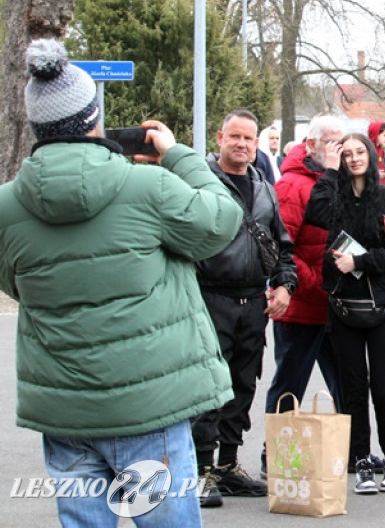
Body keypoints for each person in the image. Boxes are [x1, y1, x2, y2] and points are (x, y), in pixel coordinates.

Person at [0, 39, 243, 525]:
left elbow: (14, 283)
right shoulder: (147, 186)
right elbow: (222, 220)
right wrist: (177, 156)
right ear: (95, 120)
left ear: (37, 127)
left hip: (64, 408)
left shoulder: (8, 206)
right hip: (148, 404)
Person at [193, 110, 298, 507]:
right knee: (207, 388)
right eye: (234, 136)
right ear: (220, 136)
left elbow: (282, 246)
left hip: (253, 301)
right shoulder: (199, 182)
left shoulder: (265, 189)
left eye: (248, 139)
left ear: (257, 144)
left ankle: (229, 464)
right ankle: (201, 470)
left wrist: (285, 286)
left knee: (243, 383)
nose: (241, 144)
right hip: (209, 297)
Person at [305, 133, 385, 495]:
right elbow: (315, 212)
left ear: (371, 156)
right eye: (347, 154)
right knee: (353, 390)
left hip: (383, 308)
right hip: (343, 307)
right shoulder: (334, 198)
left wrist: (361, 262)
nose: (354, 159)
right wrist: (330, 169)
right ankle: (363, 461)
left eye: (358, 153)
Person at [261, 115, 346, 478]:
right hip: (300, 305)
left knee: (347, 383)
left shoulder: (344, 182)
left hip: (335, 306)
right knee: (289, 386)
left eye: (342, 143)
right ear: (311, 145)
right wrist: (317, 282)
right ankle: (274, 457)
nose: (337, 150)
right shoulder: (292, 186)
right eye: (330, 142)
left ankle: (350, 453)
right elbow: (283, 250)